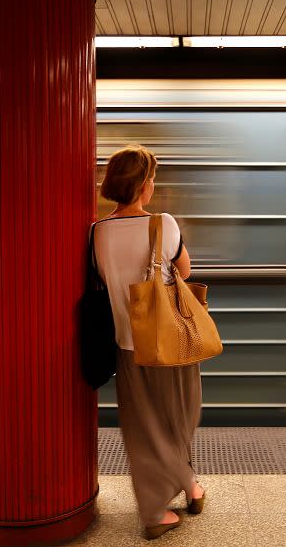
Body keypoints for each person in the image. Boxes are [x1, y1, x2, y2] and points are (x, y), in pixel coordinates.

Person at [93, 145, 205, 540]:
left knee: (143, 426)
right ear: (143, 184)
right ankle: (162, 504)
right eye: (151, 178)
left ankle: (181, 490)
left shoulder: (97, 231)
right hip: (168, 339)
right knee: (181, 413)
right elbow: (185, 271)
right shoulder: (163, 223)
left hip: (126, 344)